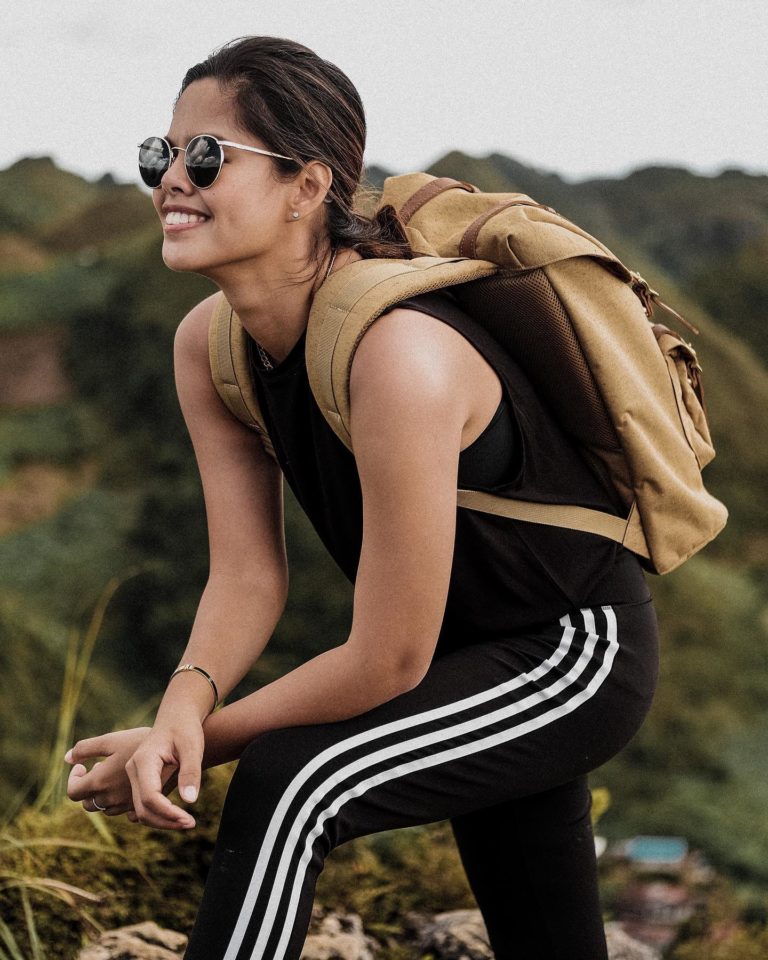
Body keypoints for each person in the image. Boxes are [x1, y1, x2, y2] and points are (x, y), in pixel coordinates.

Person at [65, 36, 659, 960]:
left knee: (290, 781)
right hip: (465, 662)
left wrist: (195, 744)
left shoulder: (399, 355)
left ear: (307, 186)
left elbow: (387, 659)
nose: (172, 179)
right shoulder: (210, 346)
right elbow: (247, 576)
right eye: (161, 153)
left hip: (568, 655)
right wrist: (181, 705)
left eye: (207, 156)